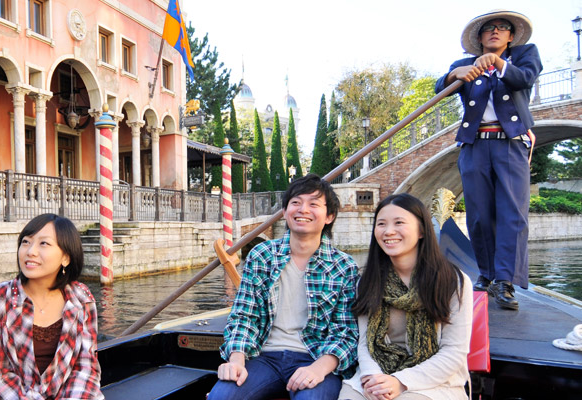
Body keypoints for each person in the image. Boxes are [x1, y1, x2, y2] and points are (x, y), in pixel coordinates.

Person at [208, 174, 359, 400]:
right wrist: (236, 361)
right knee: (222, 397)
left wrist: (318, 369)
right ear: (285, 211)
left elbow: (346, 332)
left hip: (316, 356)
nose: (303, 209)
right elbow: (244, 316)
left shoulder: (344, 266)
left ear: (329, 216)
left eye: (314, 204)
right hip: (264, 357)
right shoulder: (262, 255)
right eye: (296, 202)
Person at [435, 9, 542, 310]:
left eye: (502, 27)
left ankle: (505, 280)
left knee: (512, 214)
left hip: (510, 144)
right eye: (489, 28)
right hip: (475, 145)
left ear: (511, 35)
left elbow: (524, 78)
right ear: (480, 38)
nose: (495, 31)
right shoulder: (465, 66)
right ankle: (487, 273)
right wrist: (454, 75)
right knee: (479, 214)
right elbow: (440, 88)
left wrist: (497, 62)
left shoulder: (524, 56)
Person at [339, 194, 472, 400]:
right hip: (377, 374)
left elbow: (454, 352)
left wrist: (400, 381)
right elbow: (365, 343)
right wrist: (373, 377)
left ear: (421, 230)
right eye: (381, 224)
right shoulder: (368, 281)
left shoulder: (452, 281)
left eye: (399, 222)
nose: (388, 231)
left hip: (435, 381)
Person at [0, 213, 103, 400]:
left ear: (66, 258)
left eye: (43, 243)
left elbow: (85, 367)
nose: (31, 251)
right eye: (26, 242)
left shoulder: (81, 298)